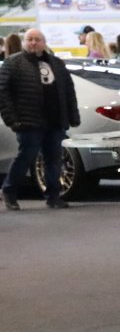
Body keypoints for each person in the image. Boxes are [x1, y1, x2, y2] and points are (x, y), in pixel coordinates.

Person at [0, 27, 81, 210]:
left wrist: (73, 116)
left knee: (54, 159)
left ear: (44, 43)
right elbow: (3, 93)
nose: (33, 43)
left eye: (37, 39)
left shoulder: (57, 63)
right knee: (25, 157)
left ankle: (53, 196)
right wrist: (11, 119)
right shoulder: (13, 63)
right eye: (29, 39)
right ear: (24, 42)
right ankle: (9, 191)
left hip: (55, 121)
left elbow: (68, 91)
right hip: (28, 121)